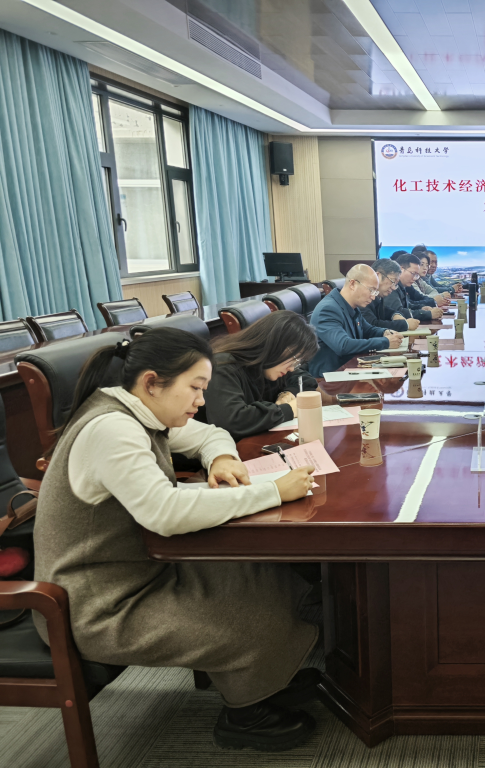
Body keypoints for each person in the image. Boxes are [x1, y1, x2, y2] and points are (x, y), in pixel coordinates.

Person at [31, 328, 320, 751]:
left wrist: (221, 458)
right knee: (240, 614)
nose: (201, 400)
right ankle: (245, 717)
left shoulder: (138, 412)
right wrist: (273, 492)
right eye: (195, 388)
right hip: (95, 605)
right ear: (152, 382)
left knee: (257, 575)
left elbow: (211, 433)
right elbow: (164, 513)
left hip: (139, 571)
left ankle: (267, 681)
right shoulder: (113, 428)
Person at [199, 312, 319, 440]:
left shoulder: (269, 365)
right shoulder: (223, 366)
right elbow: (231, 420)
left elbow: (305, 380)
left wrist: (288, 393)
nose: (292, 368)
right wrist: (290, 409)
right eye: (294, 359)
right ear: (275, 344)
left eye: (298, 362)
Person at [308, 264, 403, 376]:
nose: (373, 297)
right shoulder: (328, 309)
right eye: (371, 290)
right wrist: (386, 342)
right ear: (352, 284)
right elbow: (343, 345)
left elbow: (367, 329)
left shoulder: (351, 305)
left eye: (375, 292)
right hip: (330, 377)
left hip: (350, 369)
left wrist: (384, 332)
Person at [361, 258, 417, 332]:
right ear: (377, 276)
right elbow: (372, 325)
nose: (393, 288)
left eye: (396, 284)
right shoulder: (363, 295)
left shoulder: (378, 295)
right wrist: (405, 324)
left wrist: (395, 314)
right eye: (392, 282)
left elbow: (385, 310)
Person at [385, 253, 444, 323]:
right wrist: (428, 314)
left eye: (416, 275)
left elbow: (408, 305)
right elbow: (398, 312)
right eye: (413, 273)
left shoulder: (403, 285)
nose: (414, 278)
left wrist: (422, 308)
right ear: (401, 269)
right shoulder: (391, 286)